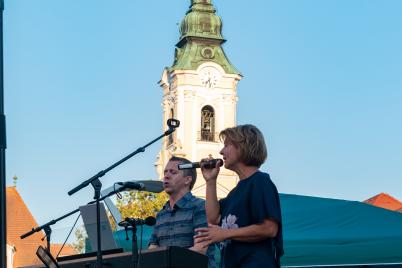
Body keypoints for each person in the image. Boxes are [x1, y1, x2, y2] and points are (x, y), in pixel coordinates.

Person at [195, 124, 284, 268]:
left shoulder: (260, 182)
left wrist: (226, 234)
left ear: (243, 147)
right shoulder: (235, 192)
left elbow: (270, 229)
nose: (221, 151)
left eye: (227, 145)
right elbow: (213, 219)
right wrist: (210, 181)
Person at [149, 156, 215, 267]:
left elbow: (200, 249)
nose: (166, 176)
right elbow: (153, 248)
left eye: (173, 172)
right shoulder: (161, 214)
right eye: (165, 172)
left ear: (187, 180)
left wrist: (167, 260)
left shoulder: (200, 207)